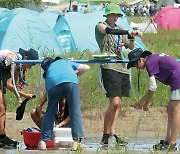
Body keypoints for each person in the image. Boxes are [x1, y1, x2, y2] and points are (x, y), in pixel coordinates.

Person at [95, 3, 143, 146]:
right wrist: (129, 32)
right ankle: (106, 134)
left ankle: (113, 134)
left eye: (117, 15)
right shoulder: (100, 25)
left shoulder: (121, 29)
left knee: (118, 104)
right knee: (114, 102)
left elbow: (130, 46)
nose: (115, 17)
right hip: (109, 66)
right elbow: (108, 31)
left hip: (122, 66)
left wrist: (132, 36)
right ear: (107, 15)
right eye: (113, 15)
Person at [127, 48, 180, 151]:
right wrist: (141, 102)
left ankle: (172, 143)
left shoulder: (149, 63)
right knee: (170, 110)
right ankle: (168, 140)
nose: (136, 68)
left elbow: (153, 87)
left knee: (175, 112)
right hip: (176, 79)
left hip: (177, 80)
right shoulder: (152, 59)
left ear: (140, 60)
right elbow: (153, 86)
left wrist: (147, 103)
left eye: (135, 65)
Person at [38, 57, 90, 150]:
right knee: (75, 110)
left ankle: (43, 142)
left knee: (50, 111)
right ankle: (76, 142)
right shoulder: (66, 62)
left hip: (53, 83)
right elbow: (86, 67)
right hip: (71, 81)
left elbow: (49, 96)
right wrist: (75, 73)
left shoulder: (50, 71)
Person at [0, 48, 39, 147]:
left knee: (3, 107)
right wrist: (25, 95)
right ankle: (2, 137)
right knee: (2, 107)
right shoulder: (14, 60)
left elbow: (13, 84)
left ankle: (2, 136)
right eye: (30, 64)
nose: (30, 67)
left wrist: (19, 98)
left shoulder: (18, 65)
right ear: (25, 58)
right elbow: (9, 85)